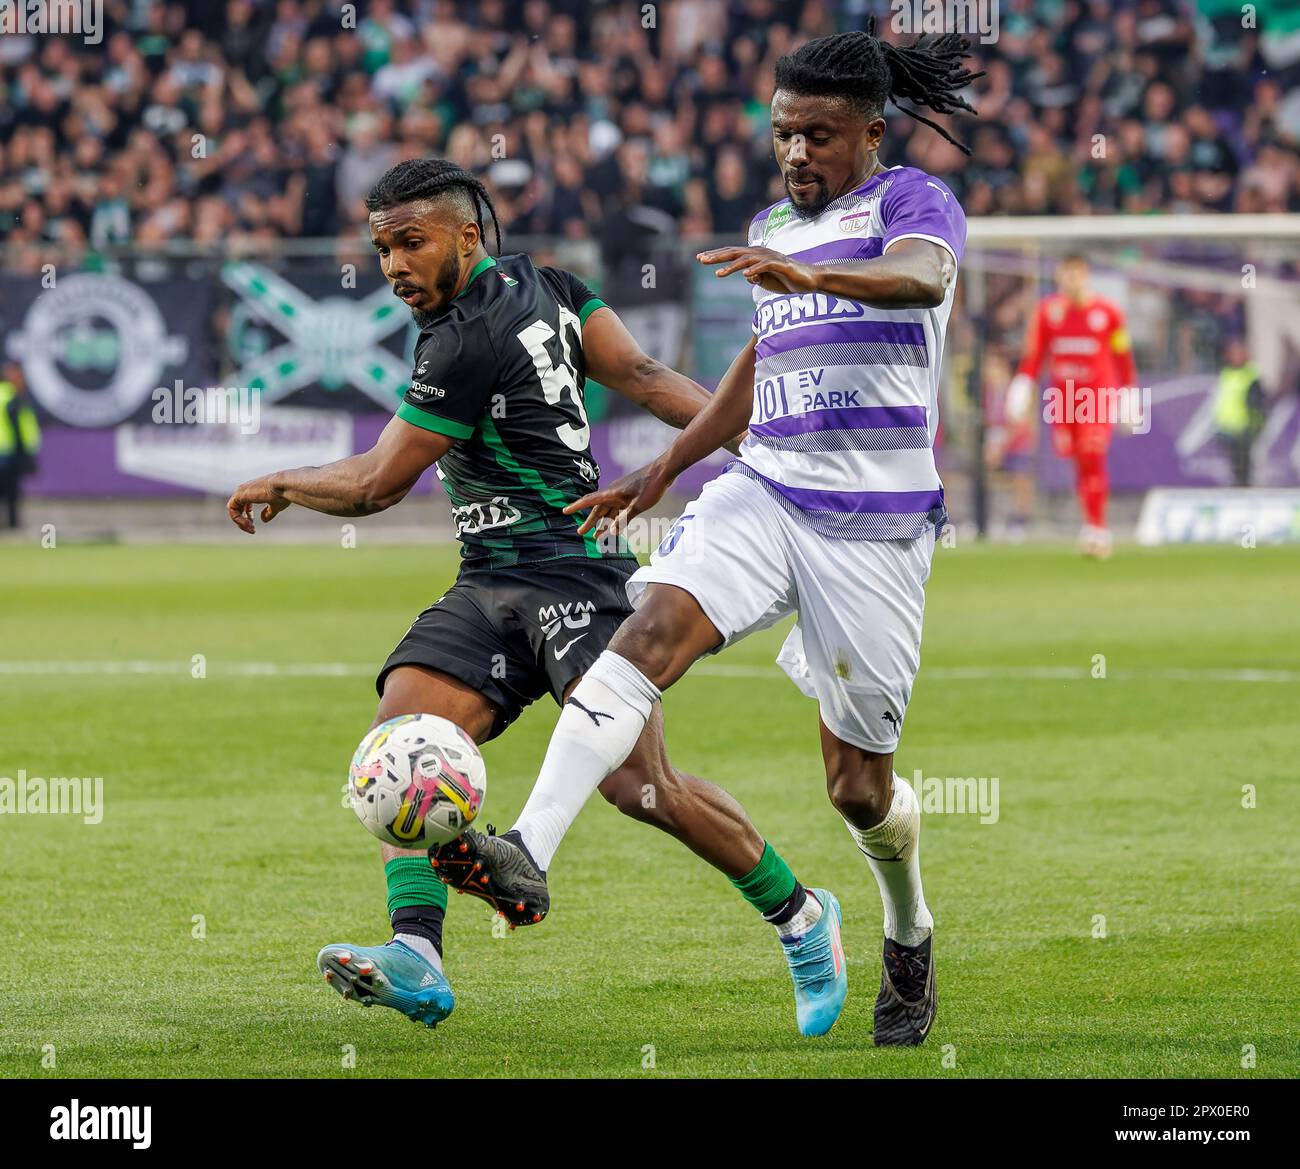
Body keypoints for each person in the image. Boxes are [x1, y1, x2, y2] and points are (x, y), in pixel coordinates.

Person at [435, 25, 983, 1047]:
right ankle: (527, 848)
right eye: (783, 134)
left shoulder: (911, 203)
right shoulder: (774, 220)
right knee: (640, 639)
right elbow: (757, 369)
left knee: (855, 788)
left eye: (817, 134)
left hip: (875, 528)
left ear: (869, 133)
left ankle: (907, 925)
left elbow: (919, 280)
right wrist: (664, 466)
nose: (795, 154)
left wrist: (806, 276)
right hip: (767, 488)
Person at [226, 159, 842, 1036]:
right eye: (382, 247)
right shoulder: (553, 283)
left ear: (465, 237)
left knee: (643, 789)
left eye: (411, 243)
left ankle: (805, 919)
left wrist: (284, 480)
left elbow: (375, 485)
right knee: (400, 744)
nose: (394, 264)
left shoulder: (462, 339)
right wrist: (752, 435)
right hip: (487, 580)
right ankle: (419, 958)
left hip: (574, 572)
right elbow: (645, 375)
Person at [1008, 254, 1139, 559]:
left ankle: (1097, 528)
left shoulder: (1108, 314)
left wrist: (1130, 394)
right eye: (1066, 275)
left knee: (1092, 456)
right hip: (1063, 398)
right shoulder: (1047, 312)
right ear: (1059, 278)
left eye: (1077, 275)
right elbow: (1035, 355)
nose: (1072, 281)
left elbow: (1123, 357)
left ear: (1087, 276)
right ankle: (1092, 525)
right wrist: (1023, 384)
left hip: (1096, 398)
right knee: (1078, 460)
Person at [1213, 338, 1265, 487]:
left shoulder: (1251, 374)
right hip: (1228, 425)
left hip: (1245, 425)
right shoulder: (1226, 373)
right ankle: (1238, 484)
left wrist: (1256, 422)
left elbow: (1257, 400)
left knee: (1244, 462)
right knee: (1234, 462)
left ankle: (1245, 486)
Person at [0, 363, 41, 530]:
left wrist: (29, 449)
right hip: (4, 451)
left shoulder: (20, 395)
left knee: (13, 491)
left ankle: (12, 525)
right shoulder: (6, 394)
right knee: (6, 489)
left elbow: (26, 425)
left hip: (15, 451)